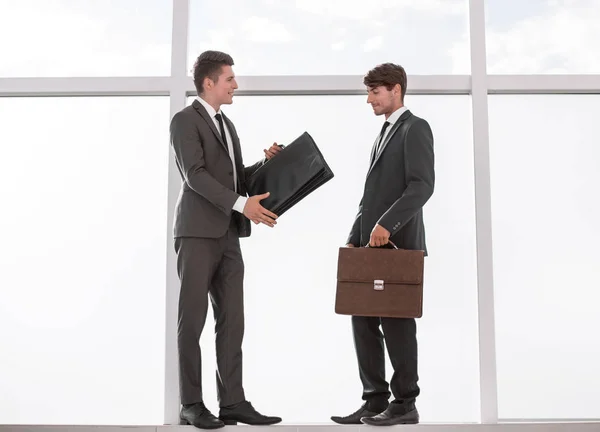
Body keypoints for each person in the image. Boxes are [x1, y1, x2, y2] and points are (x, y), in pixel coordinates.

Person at [170, 50, 282, 429]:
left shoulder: (227, 125)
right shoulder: (184, 120)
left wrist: (265, 164)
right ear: (209, 82)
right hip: (198, 232)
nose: (235, 84)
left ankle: (233, 402)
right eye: (230, 78)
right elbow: (195, 176)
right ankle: (191, 404)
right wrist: (241, 204)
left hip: (229, 234)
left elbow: (235, 181)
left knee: (233, 320)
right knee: (193, 320)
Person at [331, 63, 435, 426]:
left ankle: (406, 403)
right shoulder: (384, 133)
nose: (369, 99)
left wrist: (387, 225)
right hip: (368, 245)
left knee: (397, 323)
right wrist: (354, 238)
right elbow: (370, 196)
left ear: (395, 89)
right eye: (369, 92)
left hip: (398, 246)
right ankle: (375, 400)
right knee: (361, 319)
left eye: (375, 92)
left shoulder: (415, 128)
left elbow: (422, 186)